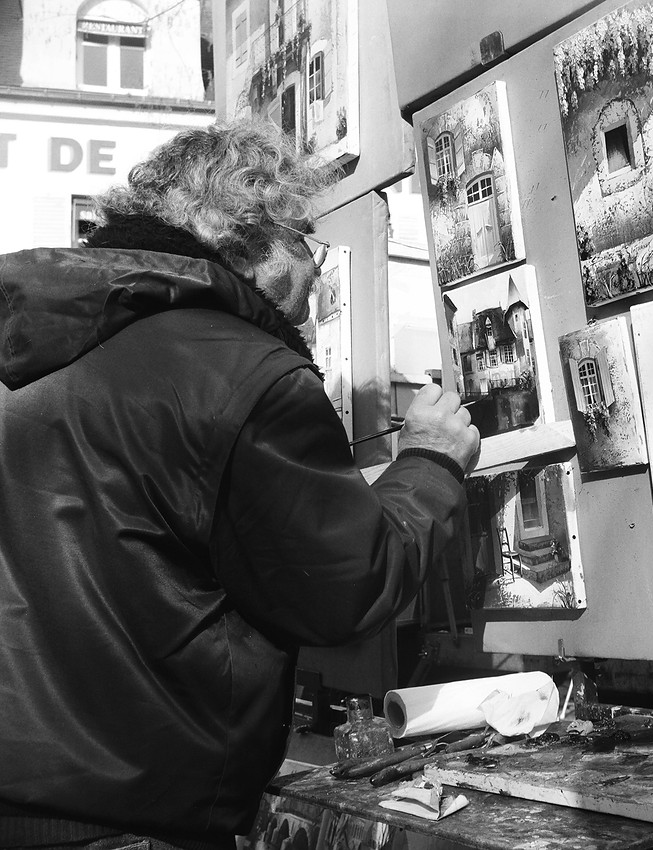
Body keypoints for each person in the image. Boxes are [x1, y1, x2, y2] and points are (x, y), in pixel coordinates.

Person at [0, 121, 479, 850]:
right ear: (252, 239)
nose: (317, 274)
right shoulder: (239, 371)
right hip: (132, 817)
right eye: (306, 240)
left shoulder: (31, 352)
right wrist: (432, 463)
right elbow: (346, 590)